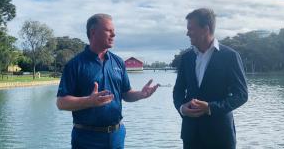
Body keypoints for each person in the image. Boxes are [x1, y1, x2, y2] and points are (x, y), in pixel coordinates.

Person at [56, 13, 159, 149]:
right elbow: (61, 103)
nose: (114, 35)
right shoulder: (75, 65)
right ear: (93, 32)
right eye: (109, 31)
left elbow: (126, 94)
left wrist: (141, 94)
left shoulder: (118, 62)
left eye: (114, 31)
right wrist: (89, 101)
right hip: (86, 138)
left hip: (117, 135)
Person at [173, 8, 248, 149]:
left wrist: (210, 108)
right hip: (191, 136)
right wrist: (182, 108)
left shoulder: (230, 56)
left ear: (205, 29)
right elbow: (178, 91)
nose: (187, 33)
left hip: (220, 137)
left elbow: (241, 95)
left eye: (191, 29)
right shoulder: (186, 58)